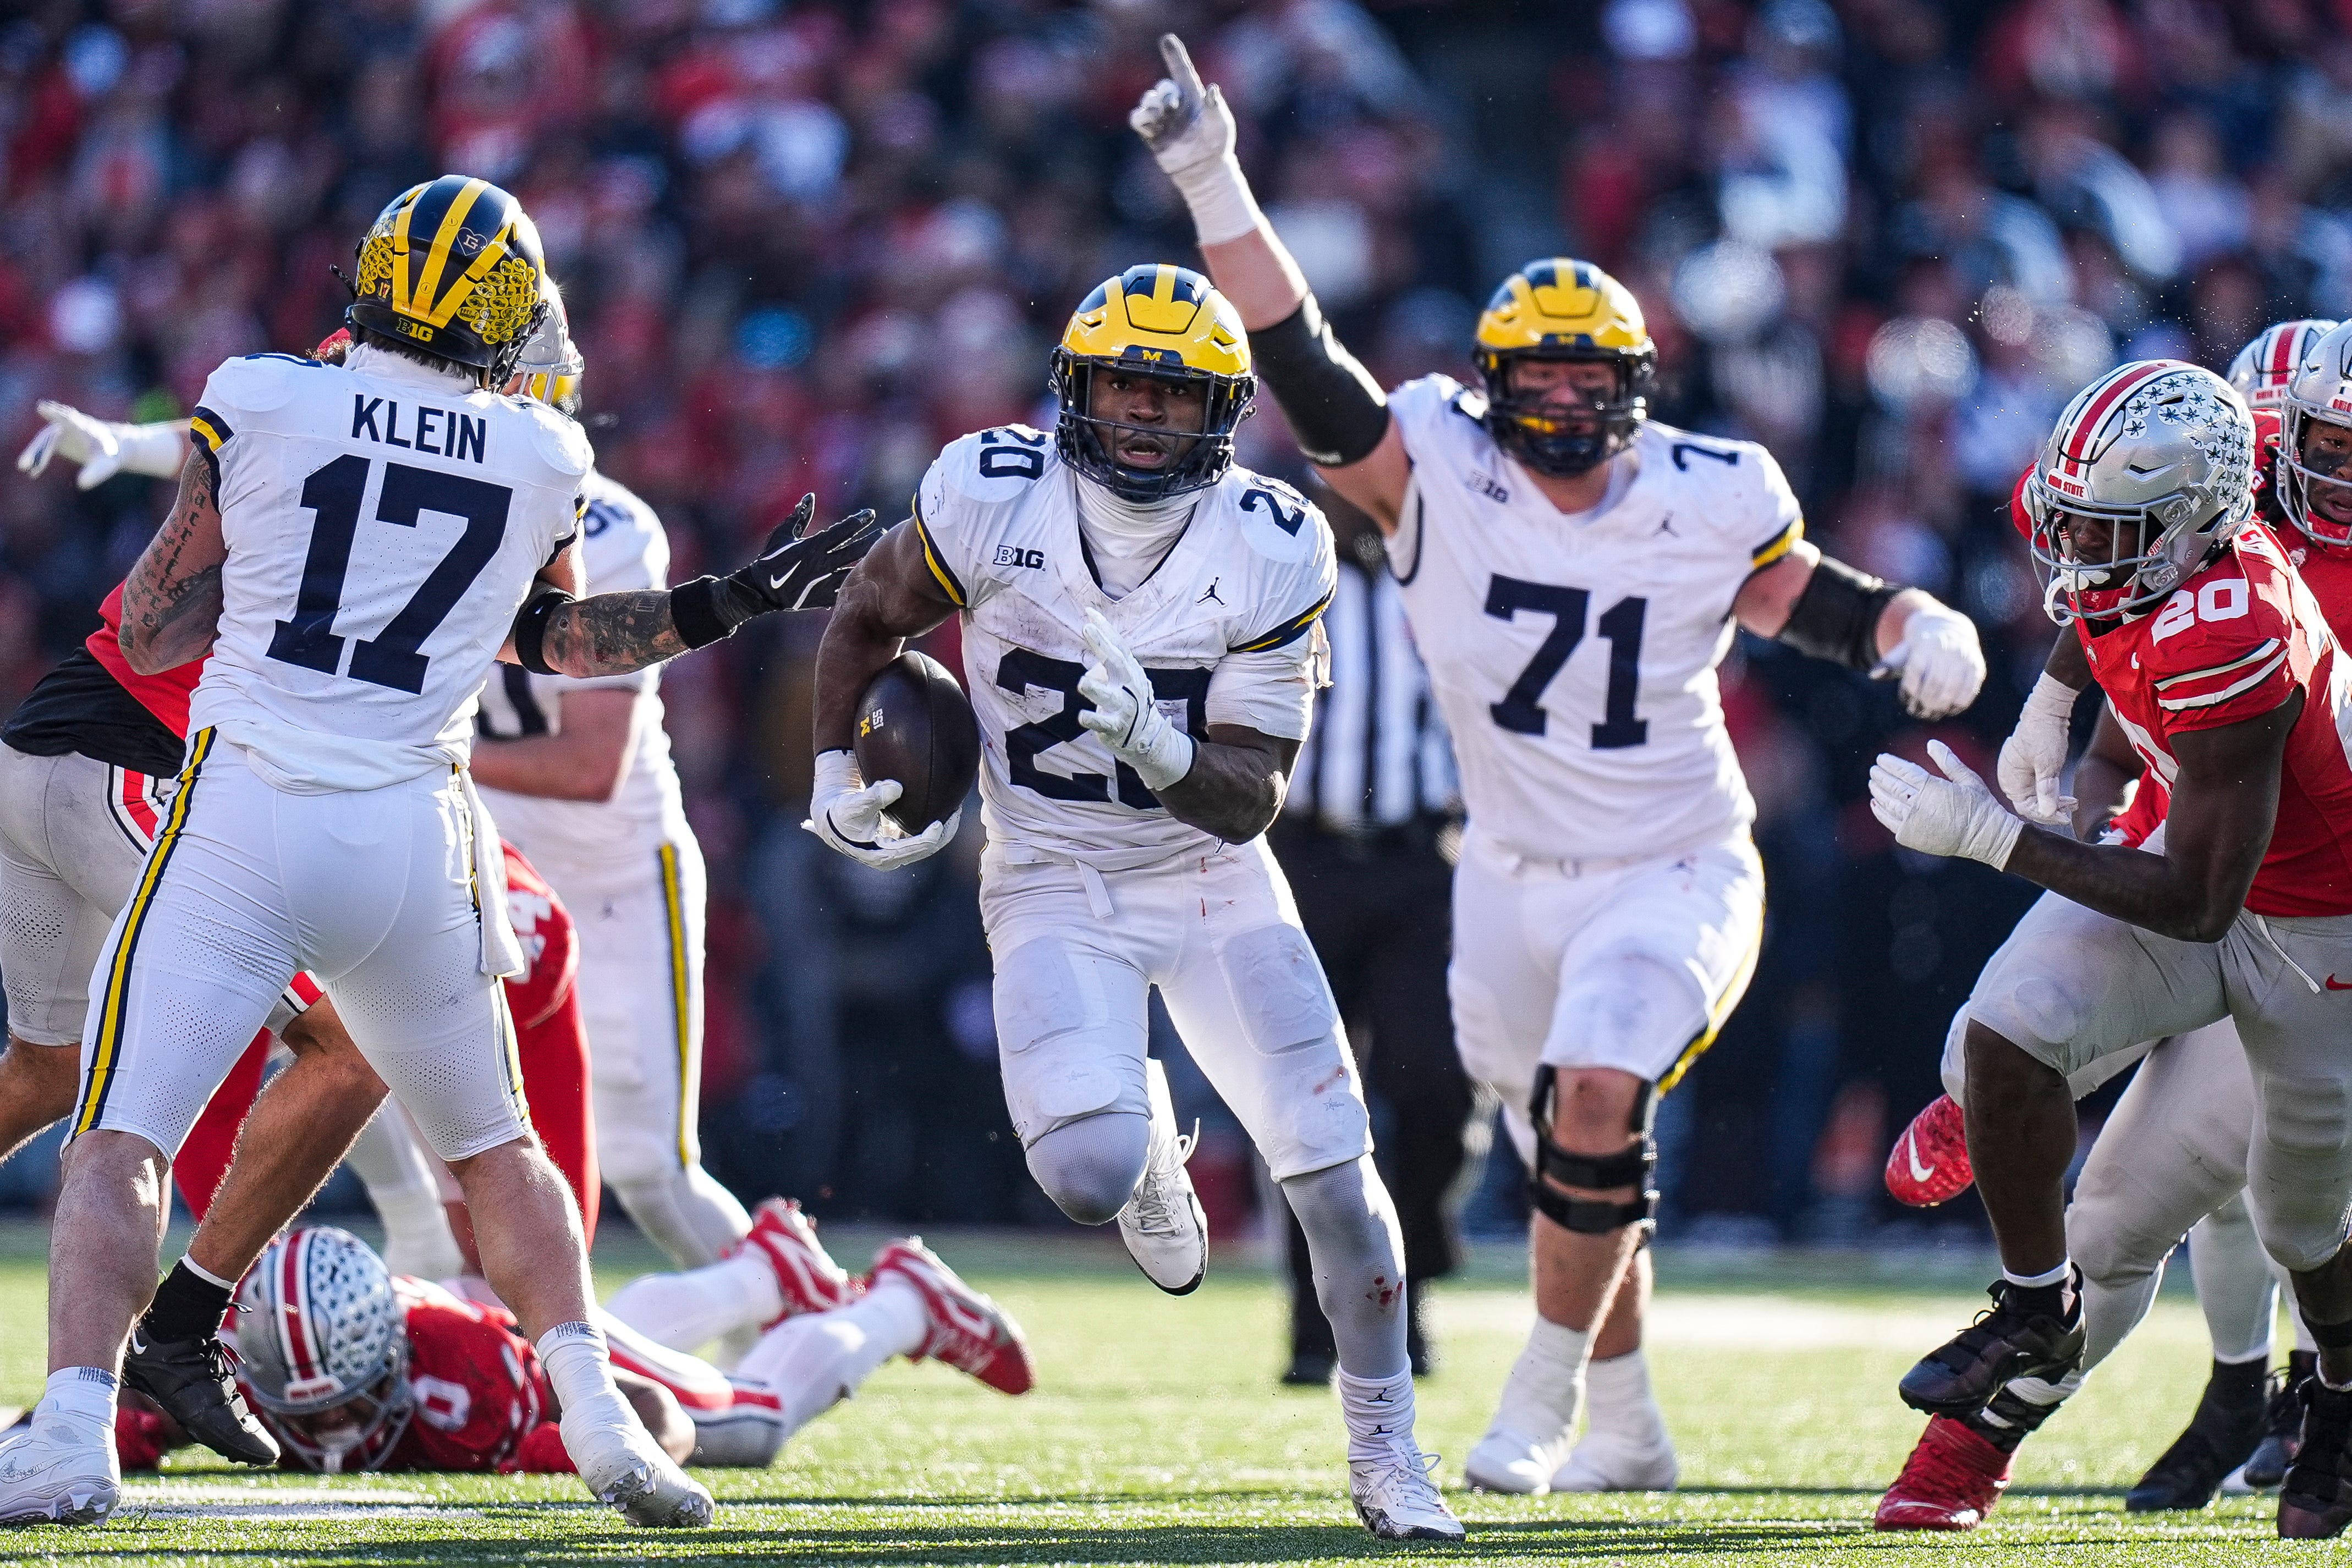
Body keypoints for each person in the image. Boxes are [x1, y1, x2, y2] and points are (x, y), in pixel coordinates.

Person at [1128, 35, 1986, 1495]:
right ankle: (1632, 1418)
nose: (1570, 403)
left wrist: (1915, 619)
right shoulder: (1433, 467)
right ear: (1492, 384)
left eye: (1594, 376)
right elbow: (1302, 362)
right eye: (1542, 375)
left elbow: (1809, 602)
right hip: (1505, 877)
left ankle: (1533, 1404)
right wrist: (1215, 184)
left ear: (1636, 386)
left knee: (1597, 1097)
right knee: (1573, 1162)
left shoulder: (1709, 492)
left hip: (1675, 857)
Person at [0, 173, 877, 1531]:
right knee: (498, 1147)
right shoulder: (543, 455)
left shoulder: (265, 392)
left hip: (243, 813)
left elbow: (164, 629)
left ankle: (71, 1429)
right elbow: (561, 644)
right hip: (411, 838)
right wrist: (729, 603)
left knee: (121, 1136)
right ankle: (599, 1421)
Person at [805, 260, 1462, 1542]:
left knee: (1337, 1181)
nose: (1145, 415)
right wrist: (835, 770)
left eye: (1174, 394)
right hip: (1048, 872)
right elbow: (867, 615)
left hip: (1208, 874)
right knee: (1089, 1174)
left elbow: (1252, 797)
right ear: (1075, 390)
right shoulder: (991, 494)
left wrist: (1162, 753)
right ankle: (1147, 1137)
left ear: (1220, 411)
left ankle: (1386, 1446)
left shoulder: (1271, 542)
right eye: (1123, 387)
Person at [1869, 354, 2352, 1541]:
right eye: (2065, 523)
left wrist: (1990, 836)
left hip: (2310, 932)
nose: (2072, 556)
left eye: (2101, 533)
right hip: (2209, 872)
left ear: (2193, 516)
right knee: (2005, 1027)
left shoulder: (2237, 609)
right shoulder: (2155, 516)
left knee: (2293, 1221)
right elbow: (2106, 594)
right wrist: (2057, 714)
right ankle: (2030, 1306)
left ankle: (2336, 1398)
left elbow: (2196, 900)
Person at [468, 284, 755, 1277]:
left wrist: (419, 746)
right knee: (454, 1152)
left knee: (651, 1170)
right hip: (482, 868)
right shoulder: (423, 502)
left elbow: (593, 766)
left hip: (613, 875)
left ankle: (820, 1323)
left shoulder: (614, 530)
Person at [104, 1216, 1029, 1475]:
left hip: (514, 1337)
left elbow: (656, 1417)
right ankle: (759, 1275)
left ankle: (906, 1303)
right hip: (488, 1320)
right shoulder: (258, 1373)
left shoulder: (471, 1386)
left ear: (388, 1360)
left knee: (744, 1426)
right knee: (616, 1330)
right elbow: (131, 1417)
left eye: (347, 1397)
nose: (337, 1426)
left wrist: (646, 1452)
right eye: (312, 1407)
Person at [1269, 493, 1479, 1388]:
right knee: (1306, 1090)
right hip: (1305, 852)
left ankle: (1415, 1271)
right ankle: (1317, 1313)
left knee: (1436, 1079)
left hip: (1421, 859)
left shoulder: (1450, 575)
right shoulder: (1281, 567)